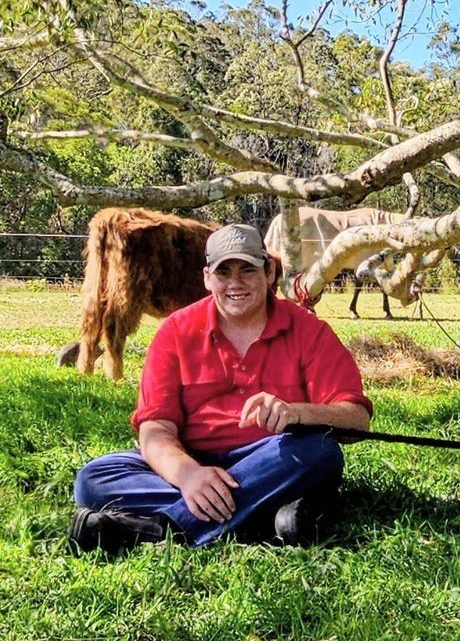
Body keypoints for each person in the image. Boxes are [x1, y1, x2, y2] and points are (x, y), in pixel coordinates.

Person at [69, 222, 373, 550]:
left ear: (269, 272)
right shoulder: (175, 331)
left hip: (272, 457)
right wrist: (188, 475)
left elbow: (356, 420)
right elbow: (155, 429)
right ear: (206, 278)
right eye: (223, 272)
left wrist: (296, 413)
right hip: (193, 457)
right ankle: (262, 517)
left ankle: (162, 529)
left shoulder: (308, 330)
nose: (235, 283)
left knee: (320, 453)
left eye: (247, 269)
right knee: (94, 479)